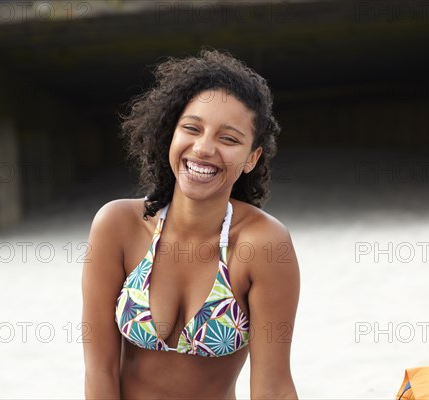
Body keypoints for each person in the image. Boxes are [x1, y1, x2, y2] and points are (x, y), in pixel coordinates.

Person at [81, 48, 300, 399]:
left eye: (228, 138)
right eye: (192, 128)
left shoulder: (264, 245)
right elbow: (99, 372)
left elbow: (273, 388)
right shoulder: (117, 226)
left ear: (251, 158)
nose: (203, 148)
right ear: (171, 133)